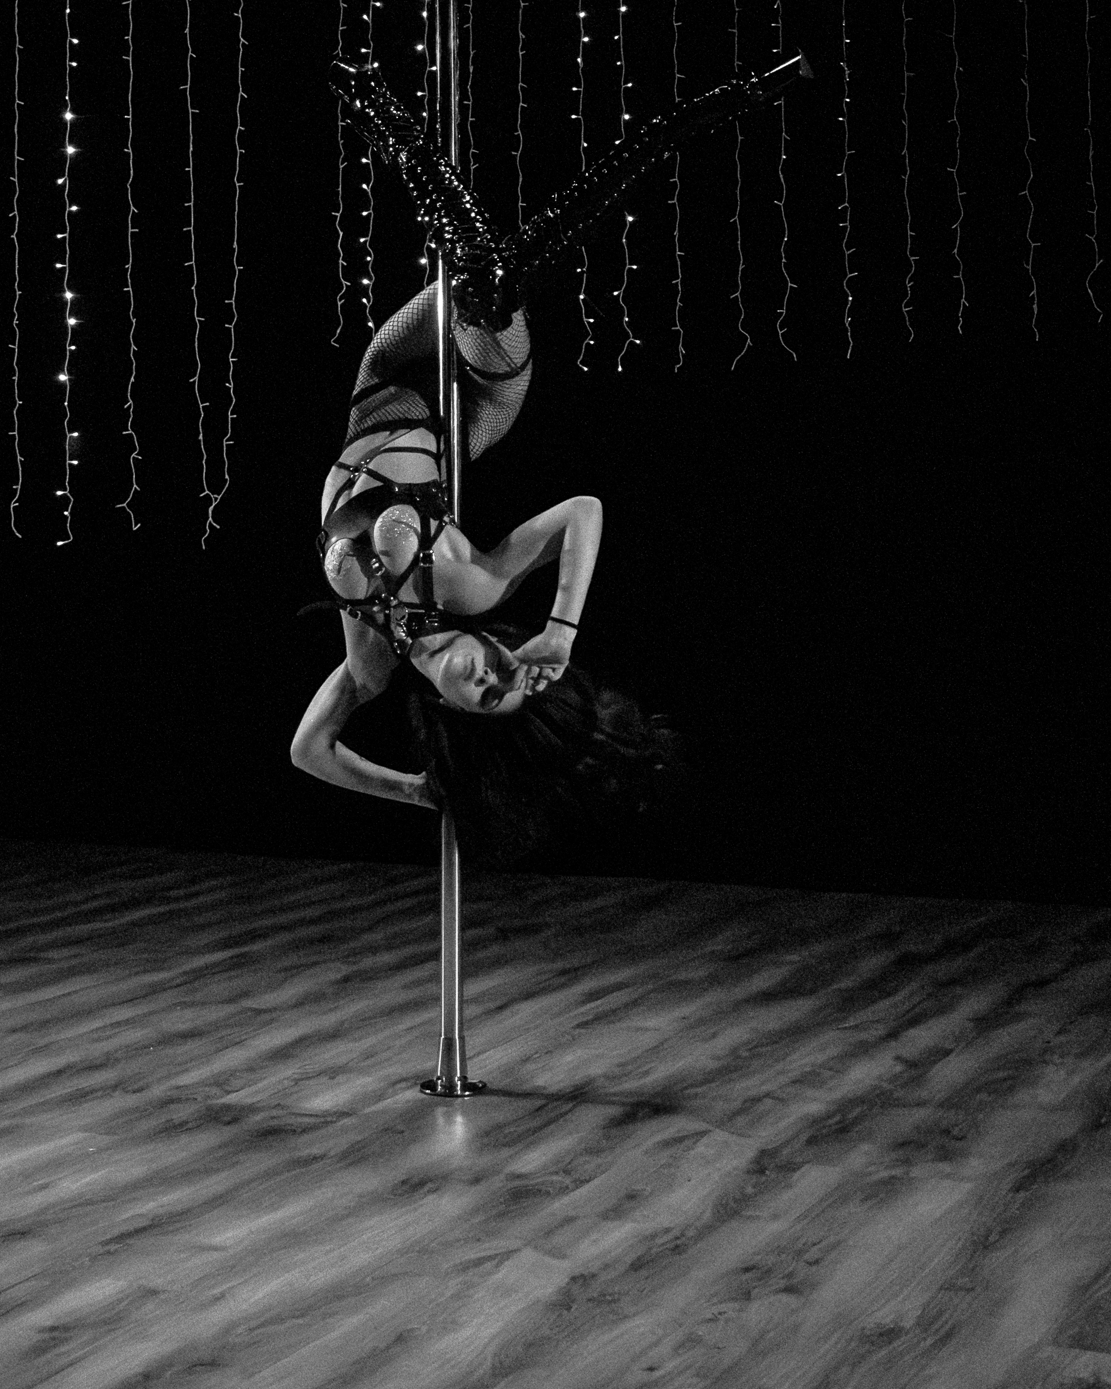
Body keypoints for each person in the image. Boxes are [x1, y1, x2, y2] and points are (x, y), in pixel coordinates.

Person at [292, 53, 810, 866]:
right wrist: (561, 629)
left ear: (459, 715)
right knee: (488, 278)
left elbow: (308, 753)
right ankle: (382, 106)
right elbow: (583, 512)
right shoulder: (477, 583)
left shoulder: (371, 661)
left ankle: (379, 105)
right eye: (508, 675)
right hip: (480, 395)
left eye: (487, 696)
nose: (491, 675)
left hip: (383, 387)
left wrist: (416, 790)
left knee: (488, 261)